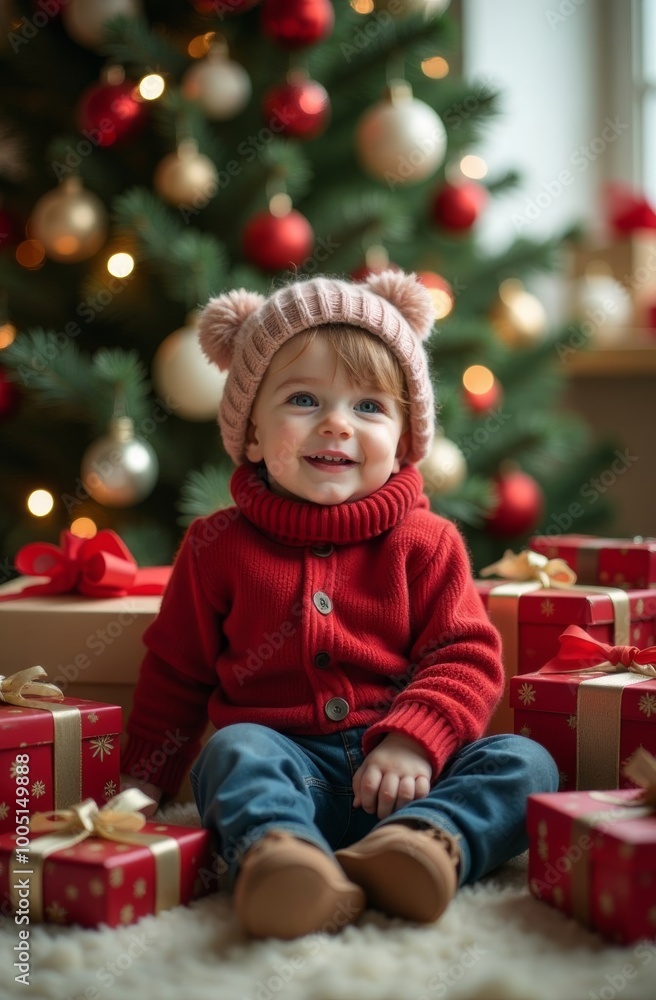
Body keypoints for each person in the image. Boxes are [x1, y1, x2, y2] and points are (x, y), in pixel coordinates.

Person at [120, 270, 558, 940]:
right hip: (291, 772)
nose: (336, 424)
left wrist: (415, 738)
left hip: (415, 779)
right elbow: (178, 674)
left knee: (527, 764)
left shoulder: (428, 541)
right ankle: (282, 858)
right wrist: (144, 783)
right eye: (303, 398)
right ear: (255, 434)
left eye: (369, 407)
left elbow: (465, 655)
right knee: (232, 753)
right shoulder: (216, 548)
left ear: (407, 438)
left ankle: (425, 846)